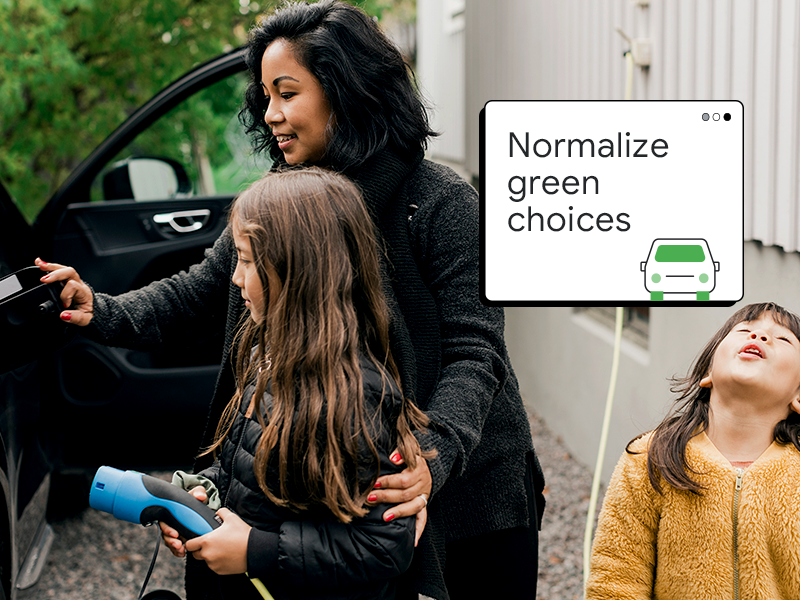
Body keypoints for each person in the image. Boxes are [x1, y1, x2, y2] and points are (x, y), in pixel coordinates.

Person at [37, 1, 545, 598]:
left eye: (287, 92)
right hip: (350, 491)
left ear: (346, 90)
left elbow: (475, 351)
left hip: (468, 491)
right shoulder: (281, 202)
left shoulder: (442, 202)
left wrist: (429, 460)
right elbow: (198, 293)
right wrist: (100, 307)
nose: (271, 114)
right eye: (265, 96)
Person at [157, 167, 432, 599]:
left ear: (298, 269)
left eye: (247, 261)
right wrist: (202, 496)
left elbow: (382, 548)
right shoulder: (264, 358)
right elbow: (252, 474)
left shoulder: (356, 396)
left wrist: (256, 550)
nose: (234, 277)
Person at [586, 302, 800, 600]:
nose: (760, 336)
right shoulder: (650, 458)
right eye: (745, 330)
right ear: (708, 371)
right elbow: (615, 582)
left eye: (783, 338)